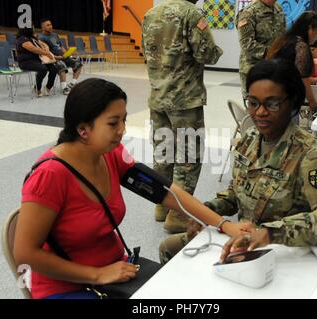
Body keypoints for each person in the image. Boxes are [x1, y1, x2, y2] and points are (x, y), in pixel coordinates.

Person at [15, 78, 245, 299]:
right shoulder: (49, 176)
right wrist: (97, 275)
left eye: (124, 120)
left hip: (117, 272)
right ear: (83, 129)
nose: (122, 130)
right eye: (113, 123)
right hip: (67, 287)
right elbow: (25, 254)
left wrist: (224, 225)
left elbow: (166, 192)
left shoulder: (111, 154)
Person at [159, 59, 317, 265]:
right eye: (253, 103)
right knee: (169, 248)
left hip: (286, 251)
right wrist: (206, 211)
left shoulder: (310, 154)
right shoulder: (249, 139)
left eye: (272, 104)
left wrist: (270, 233)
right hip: (244, 241)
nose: (260, 112)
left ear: (292, 102)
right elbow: (235, 194)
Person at [142, 0, 223, 233]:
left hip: (158, 95)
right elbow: (207, 53)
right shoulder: (191, 14)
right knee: (188, 157)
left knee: (163, 153)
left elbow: (148, 52)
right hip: (185, 99)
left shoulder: (151, 13)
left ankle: (161, 206)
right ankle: (178, 215)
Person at [266, 11, 317, 110]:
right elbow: (303, 78)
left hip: (270, 92)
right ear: (310, 28)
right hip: (285, 98)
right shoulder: (301, 46)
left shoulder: (284, 40)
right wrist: (312, 101)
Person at [236, 0, 286, 101]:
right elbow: (246, 44)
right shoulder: (249, 12)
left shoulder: (278, 9)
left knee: (273, 105)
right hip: (254, 69)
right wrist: (270, 53)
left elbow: (282, 37)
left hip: (274, 68)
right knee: (255, 107)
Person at [38, 19, 83, 95]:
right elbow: (45, 53)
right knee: (61, 65)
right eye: (47, 25)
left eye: (50, 24)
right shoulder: (41, 38)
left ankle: (72, 84)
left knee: (78, 63)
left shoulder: (55, 35)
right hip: (52, 59)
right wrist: (57, 57)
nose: (50, 26)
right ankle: (64, 88)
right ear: (43, 27)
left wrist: (67, 53)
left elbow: (61, 47)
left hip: (63, 57)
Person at [16, 27, 58, 97]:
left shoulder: (32, 38)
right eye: (32, 27)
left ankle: (48, 87)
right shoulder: (22, 39)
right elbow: (33, 49)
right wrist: (46, 53)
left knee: (54, 68)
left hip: (37, 60)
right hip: (25, 62)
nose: (34, 28)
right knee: (43, 69)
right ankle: (37, 89)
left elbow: (44, 44)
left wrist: (45, 48)